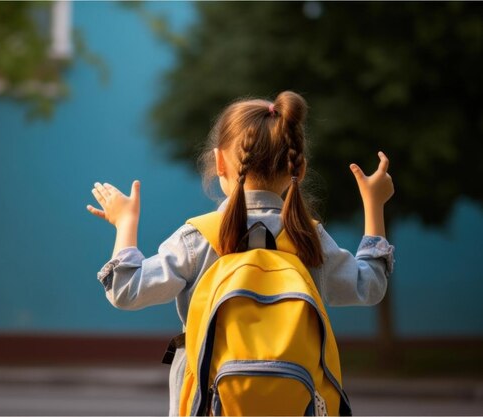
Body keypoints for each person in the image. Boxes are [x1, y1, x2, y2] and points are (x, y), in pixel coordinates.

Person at [87, 91, 395, 415]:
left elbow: (126, 291)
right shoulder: (308, 237)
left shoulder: (200, 237)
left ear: (219, 162)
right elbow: (370, 285)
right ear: (299, 169)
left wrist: (125, 222)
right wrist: (374, 206)